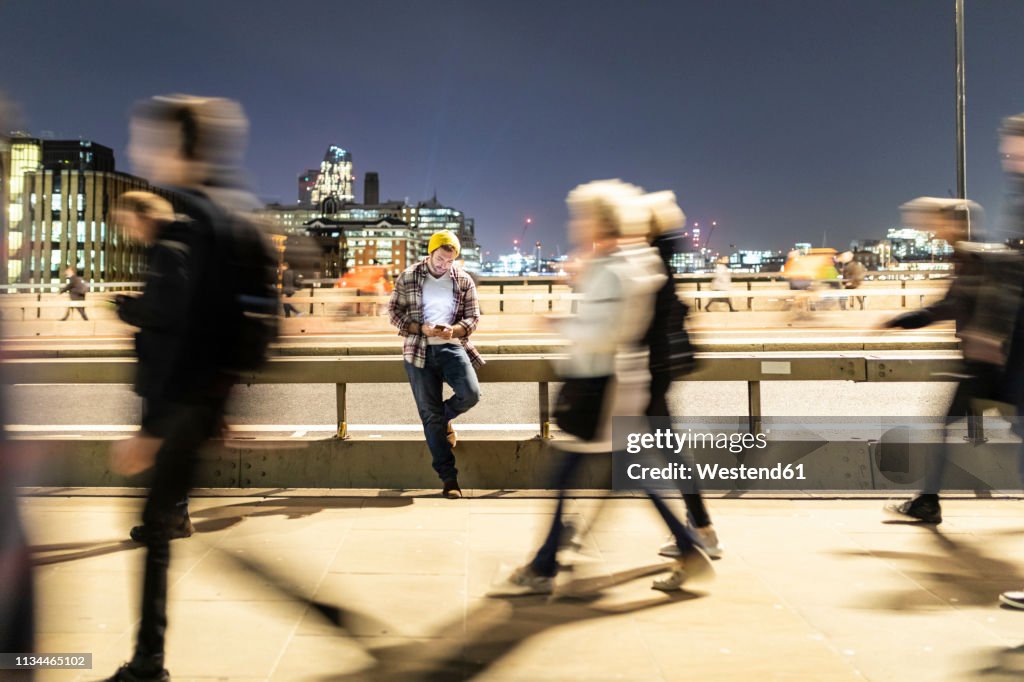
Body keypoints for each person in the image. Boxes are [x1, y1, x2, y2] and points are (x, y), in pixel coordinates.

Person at [105, 94, 262, 682]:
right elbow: (241, 327)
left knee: (160, 527)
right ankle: (148, 656)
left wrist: (152, 427)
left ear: (179, 145)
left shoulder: (191, 226)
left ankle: (148, 660)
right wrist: (221, 406)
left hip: (182, 406)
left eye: (150, 139)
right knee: (164, 525)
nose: (142, 150)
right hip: (201, 403)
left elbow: (188, 330)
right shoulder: (229, 214)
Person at [495, 180, 712, 596]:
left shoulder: (614, 269)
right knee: (629, 477)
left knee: (564, 477)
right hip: (616, 384)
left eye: (583, 217)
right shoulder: (627, 262)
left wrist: (561, 323)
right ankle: (688, 548)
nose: (578, 225)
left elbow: (606, 331)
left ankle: (544, 566)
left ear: (601, 222)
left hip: (601, 387)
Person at [882, 197, 1020, 525]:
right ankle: (927, 501)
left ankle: (928, 502)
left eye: (940, 222)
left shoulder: (972, 256)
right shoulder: (979, 255)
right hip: (996, 365)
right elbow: (951, 305)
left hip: (985, 366)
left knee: (943, 428)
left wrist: (903, 320)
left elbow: (950, 306)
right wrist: (905, 320)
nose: (934, 230)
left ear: (958, 224)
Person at [642, 191, 723, 560]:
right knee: (668, 449)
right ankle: (700, 528)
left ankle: (699, 532)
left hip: (648, 370)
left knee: (660, 452)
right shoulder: (665, 255)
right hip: (658, 369)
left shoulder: (650, 259)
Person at [387, 229, 482, 499]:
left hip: (451, 347)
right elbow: (393, 313)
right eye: (440, 259)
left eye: (450, 261)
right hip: (418, 350)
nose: (444, 266)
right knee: (429, 414)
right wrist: (419, 328)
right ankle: (449, 480)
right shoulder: (409, 276)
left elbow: (473, 318)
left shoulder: (463, 280)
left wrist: (455, 330)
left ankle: (443, 420)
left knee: (471, 394)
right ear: (431, 253)